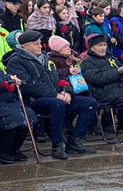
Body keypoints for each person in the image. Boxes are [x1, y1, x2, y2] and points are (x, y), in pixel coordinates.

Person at [6, 30, 97, 159]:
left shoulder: (45, 58)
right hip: (34, 100)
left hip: (55, 96)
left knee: (90, 103)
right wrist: (55, 94)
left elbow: (60, 76)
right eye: (35, 44)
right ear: (25, 46)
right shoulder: (16, 61)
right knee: (58, 104)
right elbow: (28, 85)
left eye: (40, 43)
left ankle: (75, 140)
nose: (40, 46)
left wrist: (67, 92)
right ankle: (57, 145)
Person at [0, 71, 37, 164]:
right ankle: (4, 150)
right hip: (2, 103)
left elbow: (5, 76)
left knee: (29, 115)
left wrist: (11, 78)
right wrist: (5, 82)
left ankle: (15, 148)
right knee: (14, 117)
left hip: (9, 101)